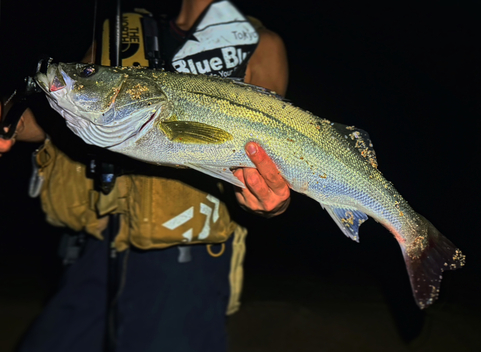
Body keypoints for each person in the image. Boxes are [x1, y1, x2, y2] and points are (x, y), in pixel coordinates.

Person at [0, 0, 290, 351]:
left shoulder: (259, 43)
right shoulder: (124, 30)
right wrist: (10, 124)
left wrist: (270, 203)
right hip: (95, 243)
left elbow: (274, 153)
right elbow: (63, 117)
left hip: (185, 259)